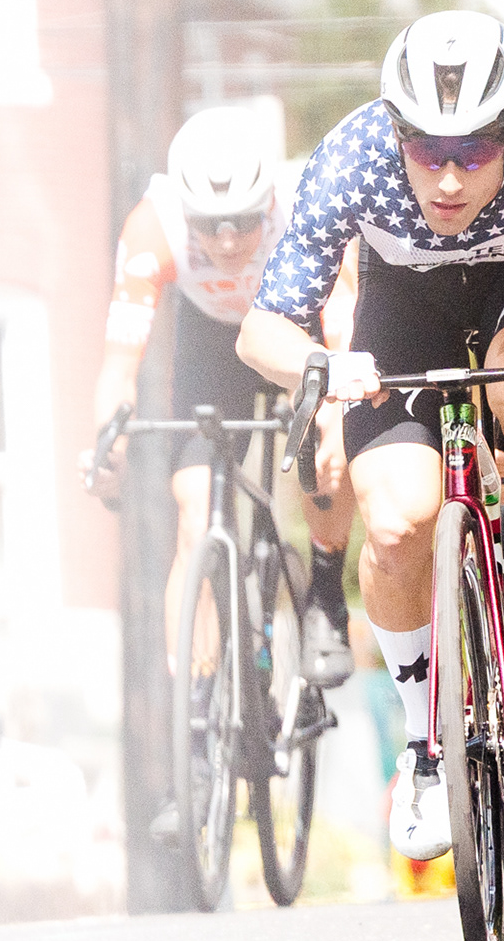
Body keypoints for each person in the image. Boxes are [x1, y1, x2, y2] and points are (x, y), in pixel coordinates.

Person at [237, 10, 504, 868]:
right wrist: (323, 366)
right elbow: (262, 330)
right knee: (397, 521)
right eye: (427, 151)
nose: (446, 179)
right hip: (405, 305)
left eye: (473, 153)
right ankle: (424, 747)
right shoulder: (352, 159)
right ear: (396, 134)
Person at [83, 101, 357, 688]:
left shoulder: (306, 207)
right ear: (184, 212)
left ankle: (326, 592)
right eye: (208, 225)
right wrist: (108, 445)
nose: (228, 241)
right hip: (212, 344)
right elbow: (118, 366)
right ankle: (200, 697)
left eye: (244, 220)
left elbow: (340, 331)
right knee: (193, 510)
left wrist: (335, 415)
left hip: (294, 330)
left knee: (327, 462)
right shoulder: (152, 228)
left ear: (270, 202)